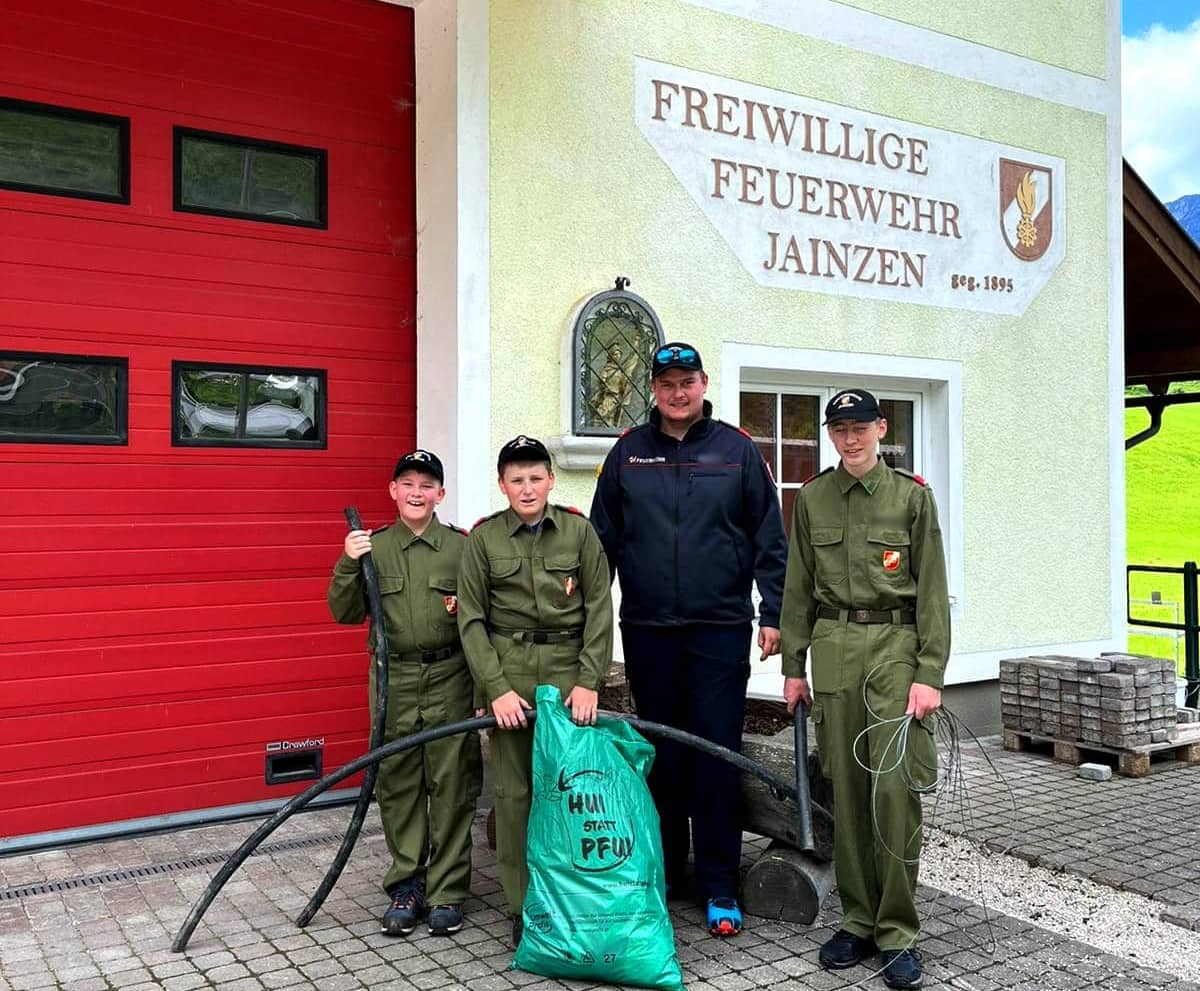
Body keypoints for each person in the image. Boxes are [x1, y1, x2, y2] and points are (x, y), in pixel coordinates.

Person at [590, 341, 788, 937]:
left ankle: (721, 884)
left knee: (715, 756)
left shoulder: (737, 452)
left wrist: (772, 611)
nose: (678, 393)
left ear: (704, 384)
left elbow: (769, 540)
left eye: (688, 381)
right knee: (663, 756)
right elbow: (600, 544)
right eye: (667, 383)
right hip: (648, 632)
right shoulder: (628, 454)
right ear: (654, 390)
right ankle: (668, 873)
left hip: (719, 631)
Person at [780, 388, 950, 990]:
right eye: (838, 429)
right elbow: (797, 587)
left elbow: (930, 589)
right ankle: (857, 920)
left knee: (894, 793)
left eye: (860, 427)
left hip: (896, 653)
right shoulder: (814, 498)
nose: (850, 439)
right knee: (847, 792)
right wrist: (793, 668)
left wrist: (930, 673)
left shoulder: (911, 497)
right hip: (834, 652)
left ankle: (898, 931)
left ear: (881, 428)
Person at [456, 435, 613, 946]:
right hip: (512, 674)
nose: (527, 488)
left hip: (569, 673)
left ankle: (574, 894)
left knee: (571, 791)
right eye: (516, 479)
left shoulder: (579, 532)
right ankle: (524, 905)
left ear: (550, 479)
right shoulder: (483, 540)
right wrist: (495, 688)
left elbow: (598, 610)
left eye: (535, 477)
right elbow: (473, 621)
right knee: (516, 794)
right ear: (502, 485)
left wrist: (591, 680)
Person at [327, 450, 482, 938]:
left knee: (453, 784)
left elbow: (482, 622)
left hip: (451, 676)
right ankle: (407, 886)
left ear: (442, 493)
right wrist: (348, 562)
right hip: (393, 680)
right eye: (408, 483)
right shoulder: (371, 547)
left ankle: (447, 891)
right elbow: (344, 613)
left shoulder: (463, 549)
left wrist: (481, 687)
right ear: (393, 491)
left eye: (427, 484)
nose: (417, 492)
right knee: (398, 784)